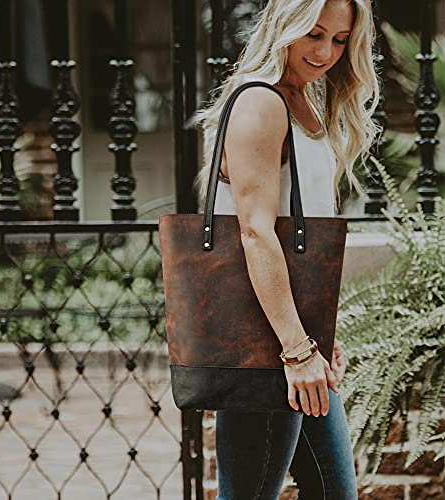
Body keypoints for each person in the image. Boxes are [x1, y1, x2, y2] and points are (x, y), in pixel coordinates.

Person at [190, 0, 381, 498]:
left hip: (296, 341)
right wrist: (297, 351)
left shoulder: (303, 102)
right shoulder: (260, 102)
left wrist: (317, 336)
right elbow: (255, 231)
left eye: (340, 40)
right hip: (267, 344)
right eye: (314, 34)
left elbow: (303, 236)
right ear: (284, 24)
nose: (325, 52)